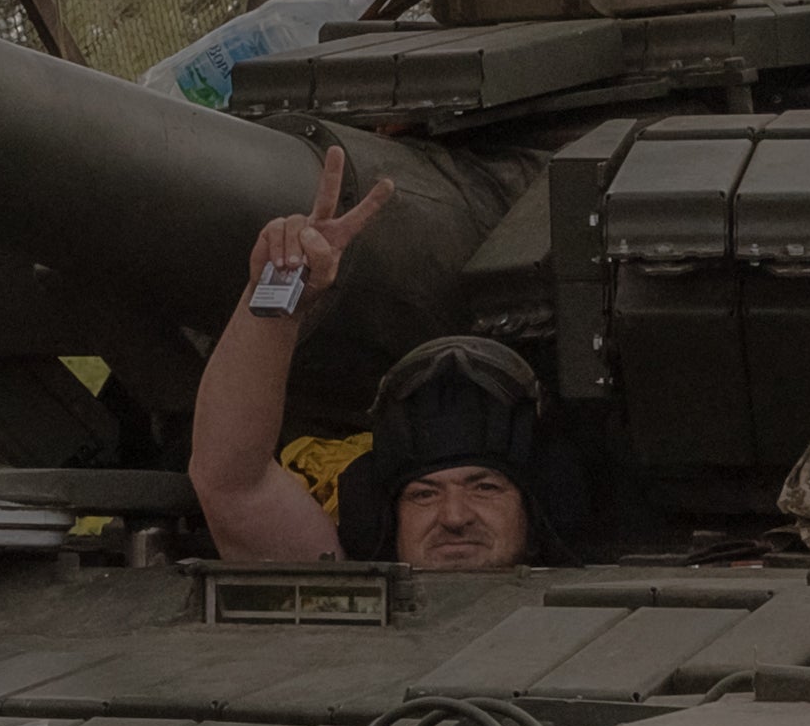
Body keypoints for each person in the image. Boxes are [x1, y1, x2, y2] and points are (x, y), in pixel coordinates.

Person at [187, 145, 587, 572]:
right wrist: (278, 293)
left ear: (533, 510)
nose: (454, 517)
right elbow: (231, 482)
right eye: (423, 494)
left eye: (485, 487)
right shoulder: (344, 601)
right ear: (387, 518)